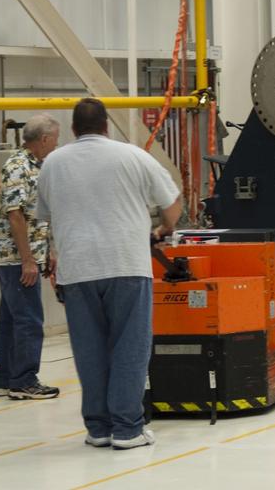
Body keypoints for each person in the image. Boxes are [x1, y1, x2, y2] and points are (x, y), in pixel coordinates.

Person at [38, 99, 181, 450]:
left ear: (73, 129)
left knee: (90, 351)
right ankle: (128, 430)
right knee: (130, 349)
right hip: (126, 265)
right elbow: (173, 206)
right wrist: (162, 229)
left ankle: (98, 428)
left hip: (77, 270)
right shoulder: (133, 156)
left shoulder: (52, 163)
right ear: (106, 126)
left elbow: (45, 216)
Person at [0, 114, 61, 400]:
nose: (57, 145)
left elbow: (38, 214)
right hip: (17, 259)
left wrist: (50, 250)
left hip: (27, 254)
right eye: (55, 140)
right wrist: (28, 260)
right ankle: (23, 381)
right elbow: (15, 214)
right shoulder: (19, 166)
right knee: (29, 320)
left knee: (10, 320)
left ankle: (5, 379)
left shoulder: (39, 166)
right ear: (44, 140)